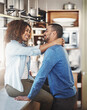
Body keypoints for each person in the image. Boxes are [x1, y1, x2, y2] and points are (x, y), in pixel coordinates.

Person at [4, 20, 64, 110]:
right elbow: (33, 51)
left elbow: (33, 50)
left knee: (50, 90)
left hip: (25, 80)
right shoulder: (11, 46)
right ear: (17, 30)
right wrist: (54, 42)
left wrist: (27, 75)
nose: (28, 33)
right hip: (14, 86)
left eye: (29, 31)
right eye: (26, 30)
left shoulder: (21, 46)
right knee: (49, 99)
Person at [15, 23, 77, 110]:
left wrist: (29, 97)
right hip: (68, 95)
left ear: (54, 33)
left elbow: (41, 77)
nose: (44, 33)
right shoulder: (58, 47)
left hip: (63, 98)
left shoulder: (52, 51)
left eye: (46, 30)